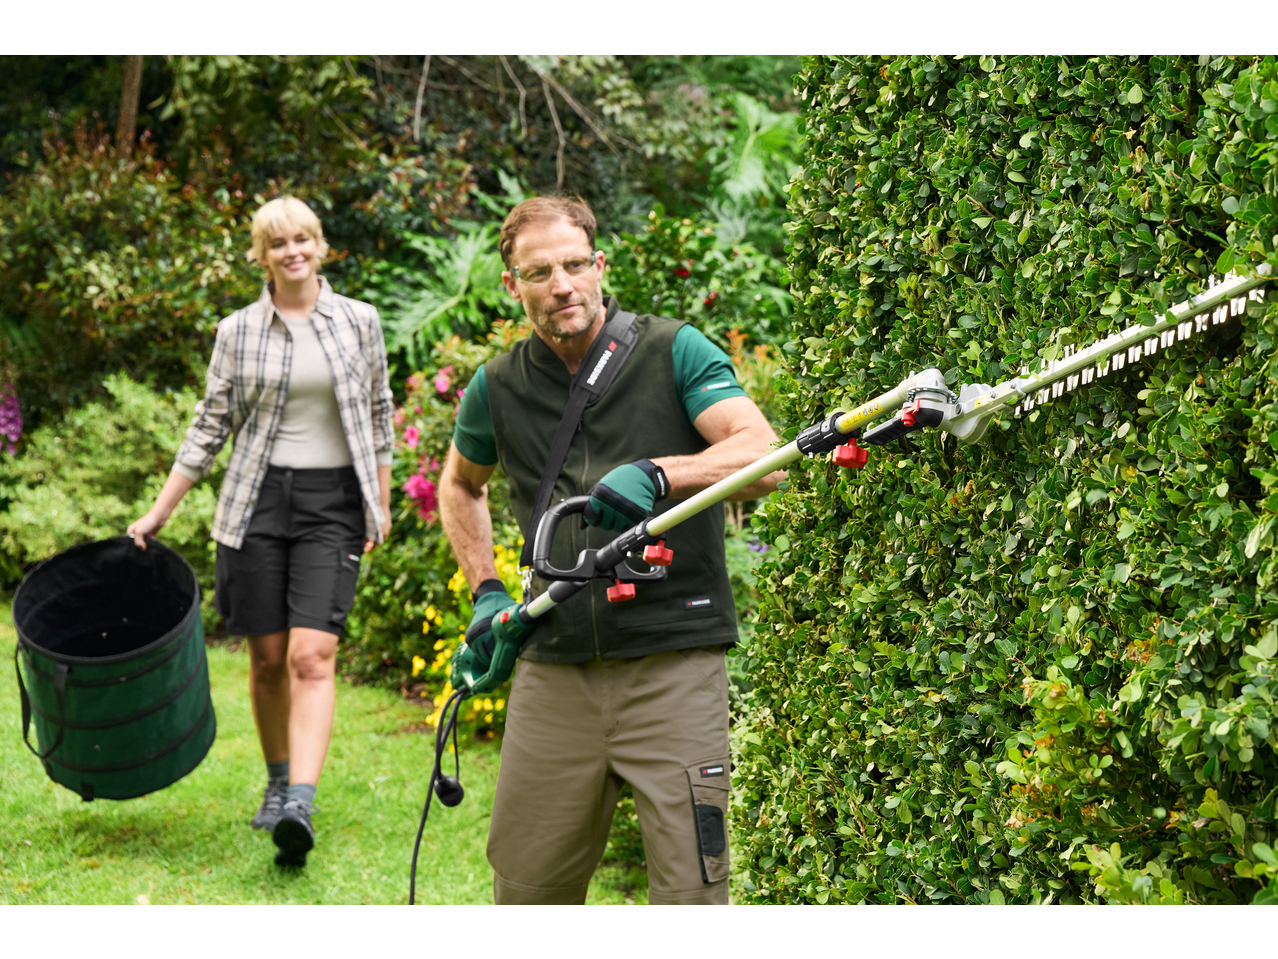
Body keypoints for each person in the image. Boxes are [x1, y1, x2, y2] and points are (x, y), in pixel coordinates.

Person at [438, 196, 784, 904]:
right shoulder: (496, 388)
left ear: (598, 266)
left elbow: (764, 455)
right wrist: (487, 590)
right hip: (553, 665)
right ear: (513, 286)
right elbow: (457, 484)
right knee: (527, 886)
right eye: (539, 272)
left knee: (693, 887)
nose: (560, 285)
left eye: (573, 265)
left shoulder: (672, 349)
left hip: (673, 662)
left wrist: (663, 471)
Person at [126, 197, 394, 868]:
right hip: (256, 503)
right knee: (269, 659)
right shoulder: (237, 330)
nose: (293, 251)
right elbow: (209, 425)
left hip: (334, 503)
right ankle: (277, 780)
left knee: (312, 655)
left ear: (321, 245)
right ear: (261, 255)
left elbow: (379, 412)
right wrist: (160, 511)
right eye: (279, 243)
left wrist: (380, 503)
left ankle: (299, 802)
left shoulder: (359, 321)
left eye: (303, 238)